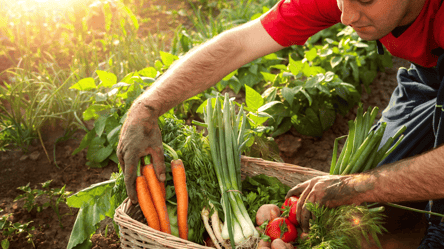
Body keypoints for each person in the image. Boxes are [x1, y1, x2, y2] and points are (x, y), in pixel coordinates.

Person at [117, 0, 444, 247]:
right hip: (427, 76)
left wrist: (353, 186)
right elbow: (242, 42)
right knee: (379, 190)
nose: (346, 17)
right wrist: (147, 106)